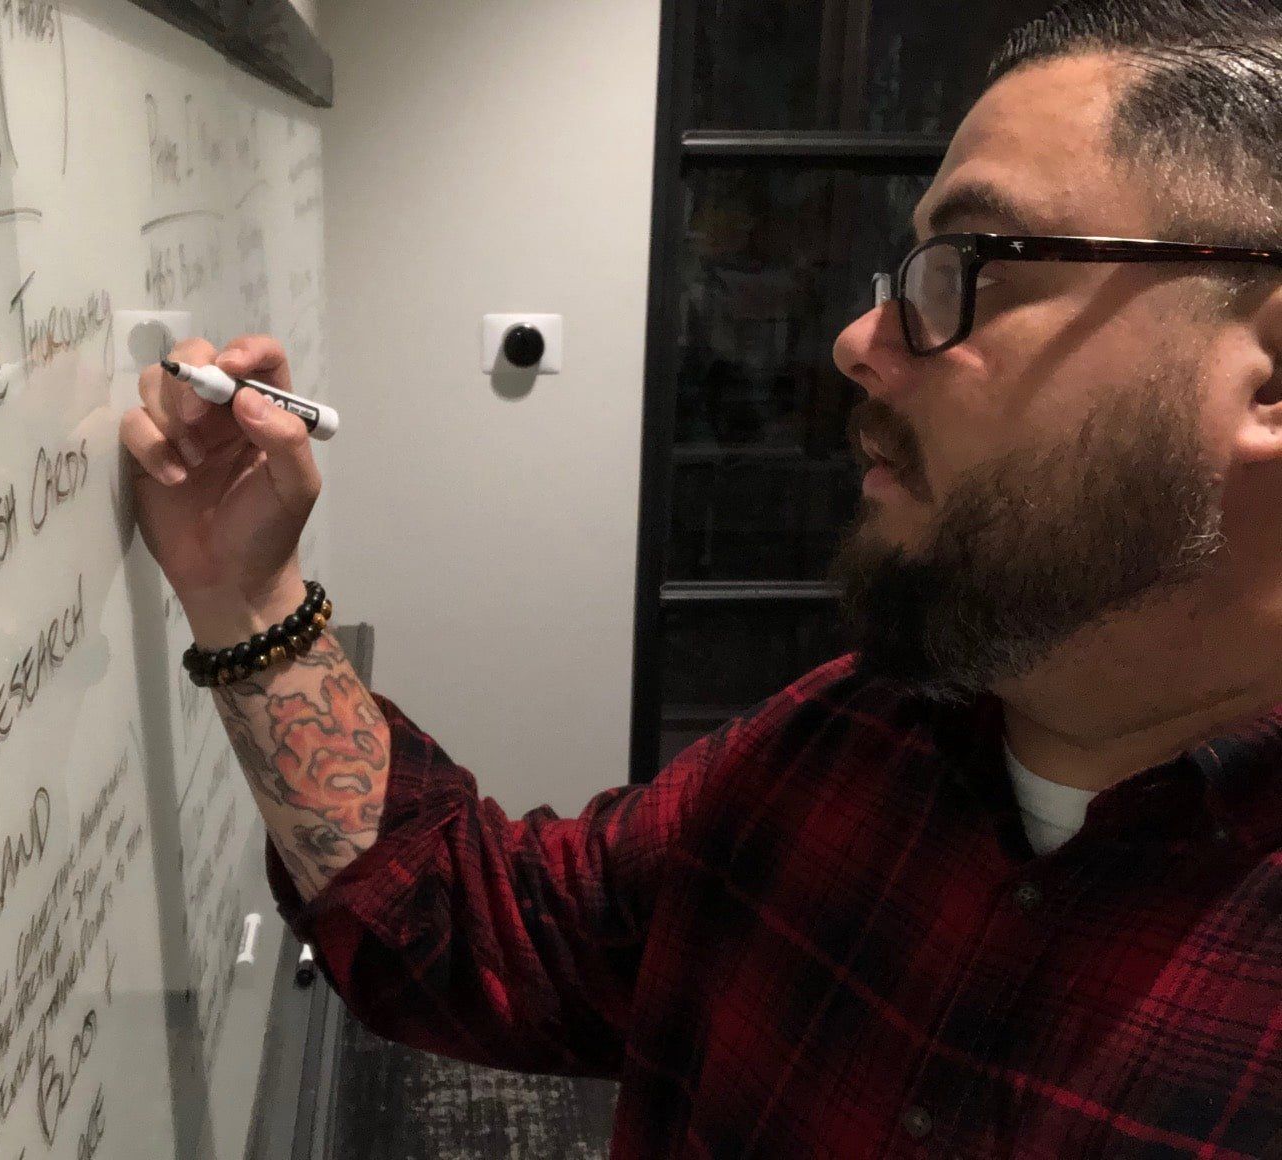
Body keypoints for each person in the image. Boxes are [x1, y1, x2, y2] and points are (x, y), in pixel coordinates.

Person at [119, 0, 1282, 1153]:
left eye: (966, 265)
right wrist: (246, 592)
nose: (856, 339)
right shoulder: (848, 742)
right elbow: (466, 930)